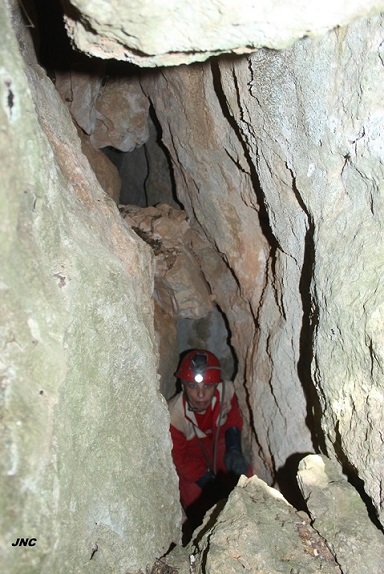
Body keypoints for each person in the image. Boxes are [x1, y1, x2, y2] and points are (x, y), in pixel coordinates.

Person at [168, 349, 250, 533]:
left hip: (216, 445)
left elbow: (233, 418)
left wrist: (234, 447)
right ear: (183, 387)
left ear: (216, 385)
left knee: (243, 475)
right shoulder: (174, 416)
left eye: (207, 386)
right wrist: (207, 482)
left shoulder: (226, 391)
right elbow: (179, 459)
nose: (201, 395)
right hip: (191, 459)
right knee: (197, 502)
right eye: (193, 386)